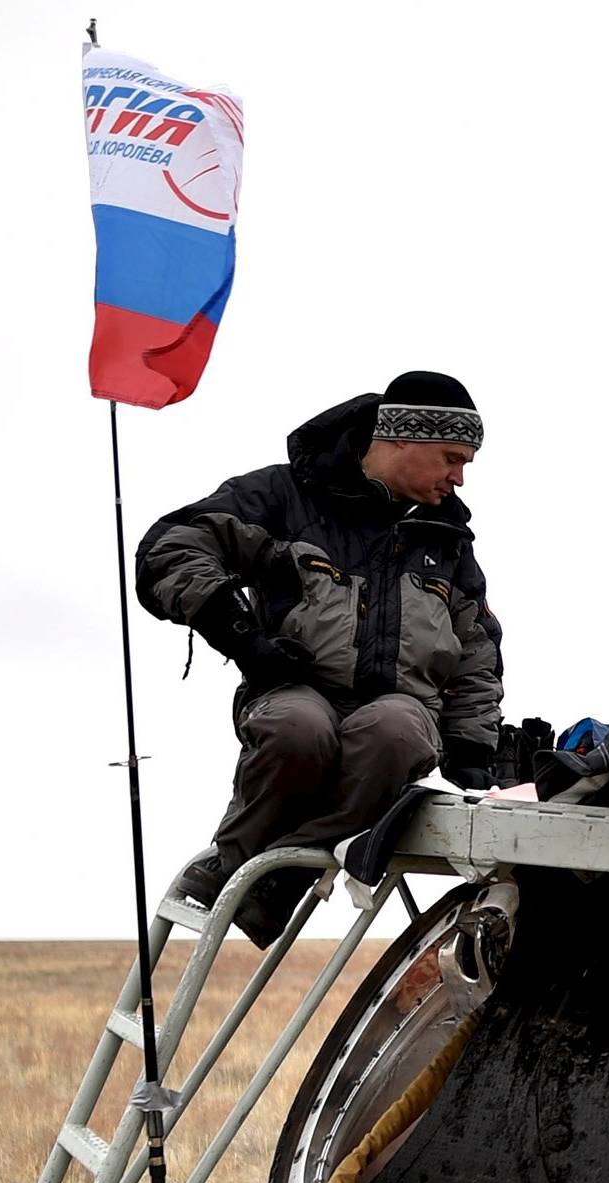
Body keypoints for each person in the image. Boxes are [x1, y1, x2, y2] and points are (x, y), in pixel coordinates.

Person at [135, 370, 503, 944]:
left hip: (400, 709)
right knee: (298, 728)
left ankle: (285, 873)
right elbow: (169, 548)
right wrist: (242, 638)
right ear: (403, 438)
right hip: (290, 690)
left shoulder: (447, 540)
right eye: (452, 458)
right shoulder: (282, 498)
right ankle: (235, 858)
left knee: (397, 731)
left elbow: (477, 654)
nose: (458, 478)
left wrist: (476, 752)